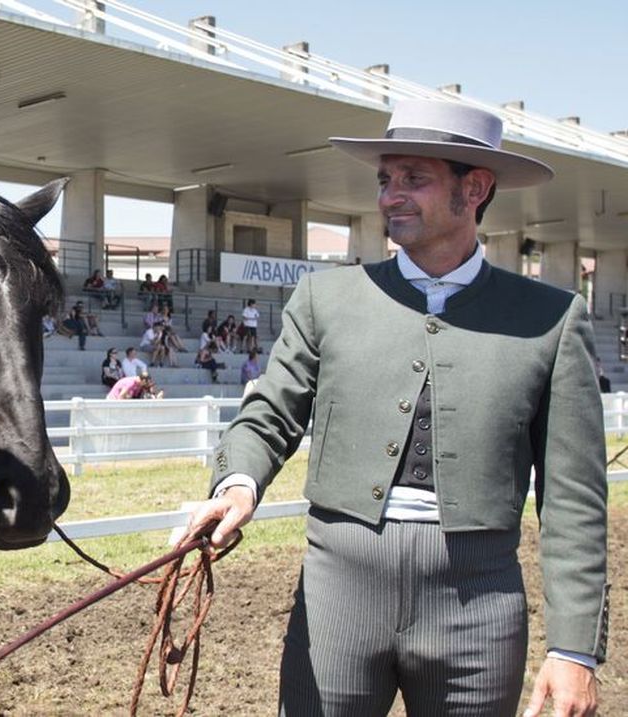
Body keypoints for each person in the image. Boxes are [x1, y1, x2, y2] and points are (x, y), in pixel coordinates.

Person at [182, 100, 606, 716]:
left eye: (414, 179)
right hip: (339, 593)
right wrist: (238, 482)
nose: (390, 196)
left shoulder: (552, 319)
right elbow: (270, 411)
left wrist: (576, 650)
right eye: (385, 180)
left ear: (476, 187)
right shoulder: (324, 298)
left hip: (478, 610)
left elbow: (573, 499)